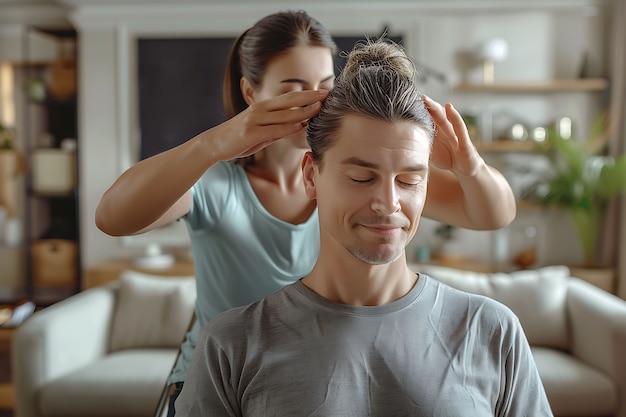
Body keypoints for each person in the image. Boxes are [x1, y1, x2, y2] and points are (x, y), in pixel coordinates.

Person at [95, 10, 517, 416]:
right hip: (221, 383)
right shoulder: (219, 184)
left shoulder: (370, 179)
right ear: (250, 93)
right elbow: (113, 218)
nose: (313, 101)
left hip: (316, 370)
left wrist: (469, 164)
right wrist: (215, 143)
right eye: (294, 87)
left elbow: (492, 213)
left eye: (324, 85)